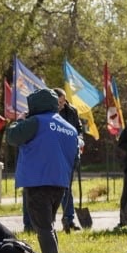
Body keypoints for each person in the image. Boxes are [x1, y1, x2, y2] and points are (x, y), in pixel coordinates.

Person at [4, 88, 81, 253]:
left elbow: (12, 137)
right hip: (60, 184)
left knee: (43, 228)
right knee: (48, 226)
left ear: (35, 105)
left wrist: (19, 120)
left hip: (37, 182)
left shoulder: (36, 121)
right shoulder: (69, 128)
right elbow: (76, 157)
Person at [54, 89, 86, 233]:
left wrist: (80, 138)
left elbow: (78, 128)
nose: (62, 105)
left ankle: (68, 219)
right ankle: (49, 221)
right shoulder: (49, 112)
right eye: (59, 102)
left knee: (67, 187)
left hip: (70, 154)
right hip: (54, 155)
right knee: (55, 189)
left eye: (63, 102)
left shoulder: (72, 111)